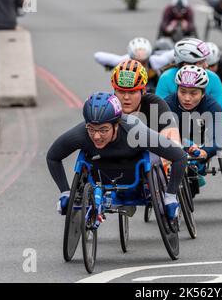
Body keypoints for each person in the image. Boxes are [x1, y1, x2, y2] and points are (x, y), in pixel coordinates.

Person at [46, 92, 187, 221]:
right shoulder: (80, 134)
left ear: (116, 125)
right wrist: (65, 192)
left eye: (103, 130)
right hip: (99, 171)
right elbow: (53, 157)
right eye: (91, 129)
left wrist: (170, 196)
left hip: (134, 173)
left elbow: (179, 157)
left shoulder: (136, 132)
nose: (96, 136)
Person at [165, 65, 222, 195]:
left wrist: (205, 151)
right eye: (182, 91)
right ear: (177, 90)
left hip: (203, 140)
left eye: (193, 93)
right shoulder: (167, 104)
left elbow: (218, 138)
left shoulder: (213, 106)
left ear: (203, 93)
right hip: (178, 140)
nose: (187, 98)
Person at [155, 38, 222, 124]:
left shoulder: (213, 78)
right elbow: (160, 114)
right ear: (186, 65)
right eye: (201, 62)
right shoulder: (166, 78)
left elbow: (221, 115)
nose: (206, 65)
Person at [110, 59, 180, 144]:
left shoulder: (154, 104)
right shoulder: (107, 105)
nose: (126, 97)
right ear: (114, 91)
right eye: (121, 91)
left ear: (143, 91)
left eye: (132, 92)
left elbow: (173, 138)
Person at [94, 37, 174, 93]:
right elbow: (97, 56)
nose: (141, 66)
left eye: (143, 62)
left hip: (153, 91)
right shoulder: (125, 61)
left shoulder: (155, 61)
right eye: (137, 62)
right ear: (131, 57)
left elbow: (171, 55)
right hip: (131, 90)